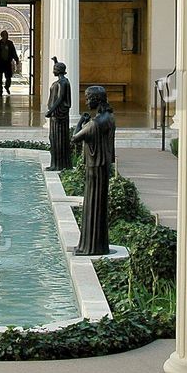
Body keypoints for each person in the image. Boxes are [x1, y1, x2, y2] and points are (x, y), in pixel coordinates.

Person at [72, 84, 116, 257]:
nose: (86, 101)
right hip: (103, 168)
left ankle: (90, 247)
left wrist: (80, 122)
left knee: (93, 205)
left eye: (88, 98)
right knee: (99, 206)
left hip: (94, 170)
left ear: (96, 100)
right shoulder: (109, 117)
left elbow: (74, 138)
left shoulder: (94, 123)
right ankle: (98, 245)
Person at [45, 57, 72, 171]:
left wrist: (50, 112)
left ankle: (58, 165)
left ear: (59, 71)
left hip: (58, 115)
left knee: (57, 139)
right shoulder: (63, 81)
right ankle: (58, 164)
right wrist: (55, 62)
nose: (53, 71)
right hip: (57, 115)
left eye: (54, 69)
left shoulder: (61, 83)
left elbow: (60, 98)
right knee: (54, 138)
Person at [0, 30, 20, 96]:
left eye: (6, 35)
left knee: (8, 77)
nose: (6, 36)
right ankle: (0, 90)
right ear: (2, 36)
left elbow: (13, 52)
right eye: (4, 35)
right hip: (0, 63)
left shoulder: (10, 43)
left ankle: (7, 86)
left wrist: (16, 60)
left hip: (7, 63)